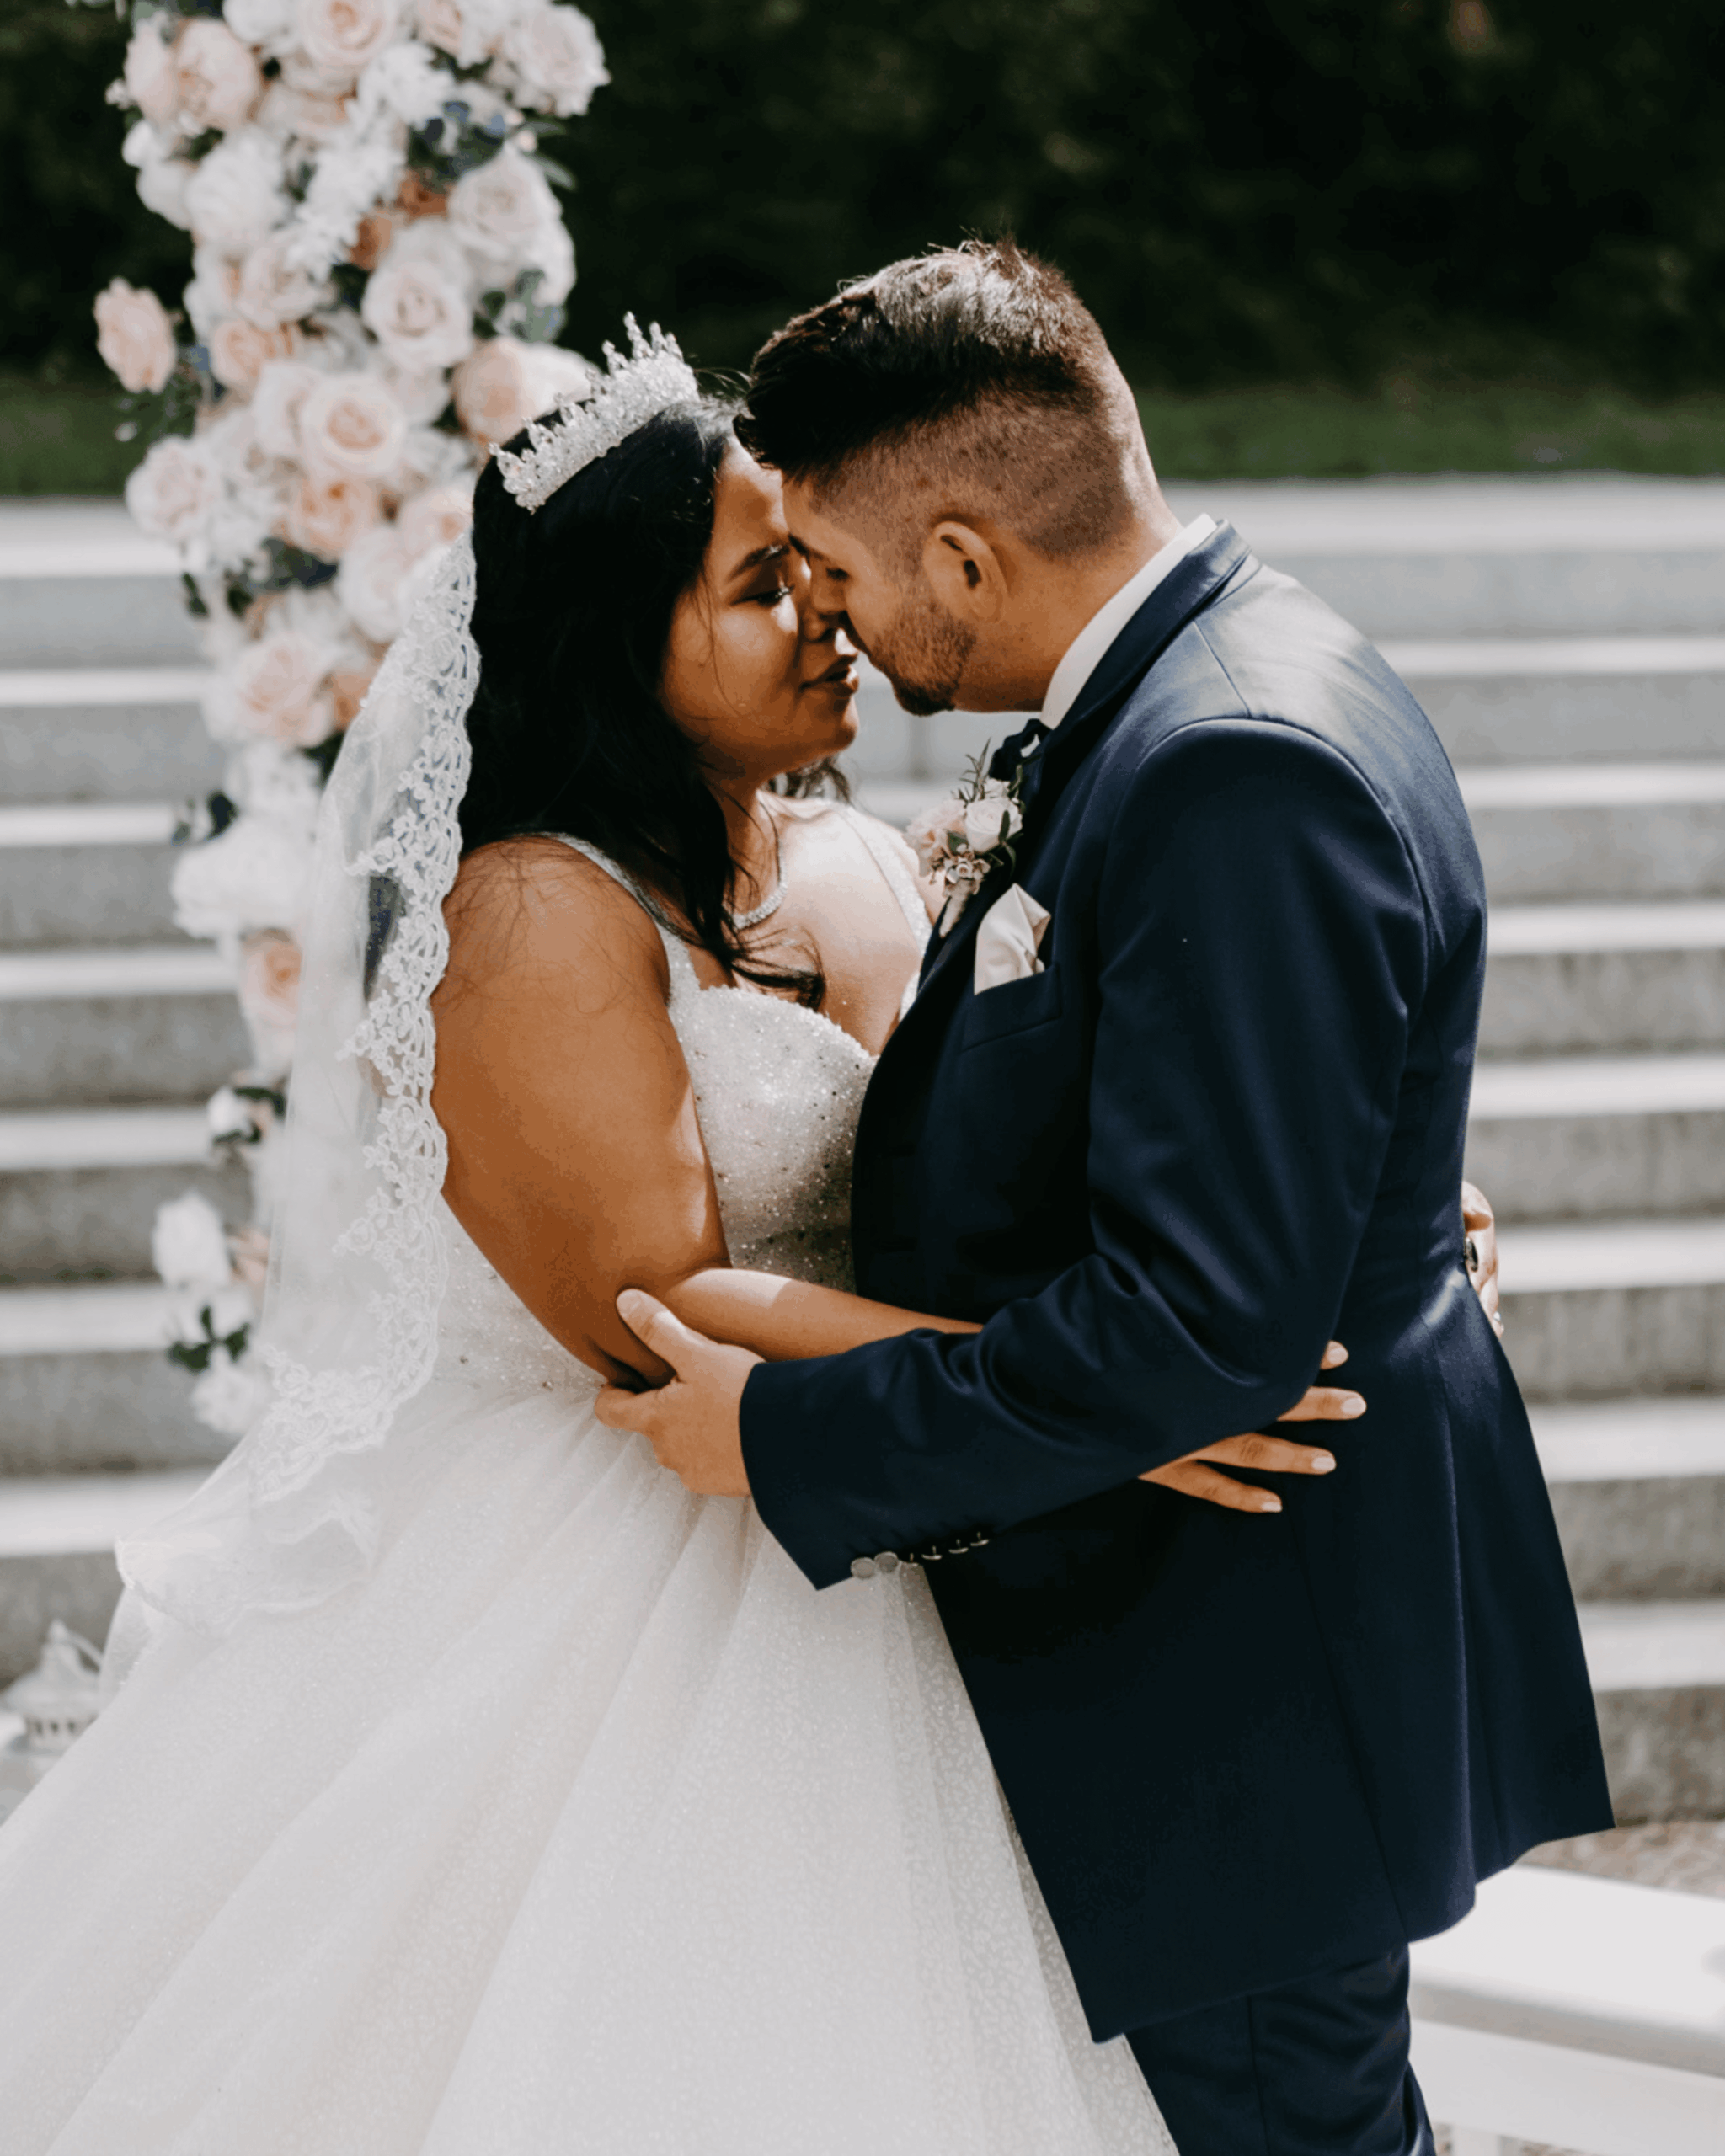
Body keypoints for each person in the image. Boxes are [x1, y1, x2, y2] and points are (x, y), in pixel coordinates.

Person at [0, 323, 1400, 2153]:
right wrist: (1125, 1402)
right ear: (618, 642)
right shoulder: (530, 912)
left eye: (816, 563)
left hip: (915, 1489)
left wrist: (1325, 1180)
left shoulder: (859, 860)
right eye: (762, 585)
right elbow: (653, 1308)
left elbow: (1034, 1143)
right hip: (643, 1533)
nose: (827, 613)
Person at [595, 250, 1616, 2156]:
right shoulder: (1201, 684)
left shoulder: (1228, 765)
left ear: (964, 557)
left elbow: (1199, 1326)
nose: (832, 618)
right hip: (1218, 1646)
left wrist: (793, 1431)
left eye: (838, 569)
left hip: (1239, 1679)